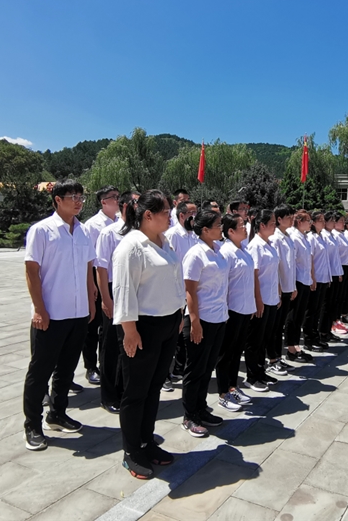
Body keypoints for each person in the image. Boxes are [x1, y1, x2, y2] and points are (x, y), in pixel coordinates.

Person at [113, 189, 185, 479]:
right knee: (136, 392)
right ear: (148, 215)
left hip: (168, 324)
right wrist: (129, 330)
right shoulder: (132, 247)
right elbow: (124, 290)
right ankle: (132, 451)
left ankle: (147, 441)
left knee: (154, 388)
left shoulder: (164, 242)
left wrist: (179, 314)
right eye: (166, 212)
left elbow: (174, 280)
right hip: (142, 327)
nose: (170, 217)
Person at [22, 179, 97, 451]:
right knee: (40, 372)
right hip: (51, 314)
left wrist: (90, 302)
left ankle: (58, 414)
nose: (78, 201)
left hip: (78, 313)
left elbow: (88, 269)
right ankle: (32, 425)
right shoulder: (42, 230)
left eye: (80, 197)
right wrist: (39, 309)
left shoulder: (84, 231)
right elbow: (31, 272)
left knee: (66, 370)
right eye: (72, 196)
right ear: (57, 200)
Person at [181, 210, 229, 437]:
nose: (221, 228)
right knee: (195, 370)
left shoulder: (218, 250)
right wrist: (195, 321)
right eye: (218, 225)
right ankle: (189, 415)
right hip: (202, 319)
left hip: (219, 317)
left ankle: (201, 409)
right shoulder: (195, 254)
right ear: (205, 230)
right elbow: (189, 291)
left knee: (207, 368)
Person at [95, 191, 138, 414]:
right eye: (136, 203)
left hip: (135, 289)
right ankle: (109, 395)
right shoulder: (109, 232)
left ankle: (125, 391)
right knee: (111, 346)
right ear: (124, 206)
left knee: (128, 346)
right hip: (114, 289)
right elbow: (101, 268)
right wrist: (106, 298)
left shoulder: (139, 232)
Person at [81, 185, 120, 387]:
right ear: (103, 201)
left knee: (110, 328)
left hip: (117, 281)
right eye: (113, 197)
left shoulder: (121, 222)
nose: (117, 200)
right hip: (99, 280)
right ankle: (91, 366)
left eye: (118, 196)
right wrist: (92, 284)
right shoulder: (93, 225)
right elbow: (90, 259)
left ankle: (109, 364)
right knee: (93, 326)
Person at [217, 214, 256, 410]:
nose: (245, 228)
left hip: (244, 308)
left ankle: (233, 387)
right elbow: (223, 284)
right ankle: (223, 392)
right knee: (226, 353)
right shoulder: (226, 252)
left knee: (236, 351)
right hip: (231, 309)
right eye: (241, 225)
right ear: (230, 231)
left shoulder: (244, 250)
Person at [163, 200, 199, 389]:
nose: (195, 216)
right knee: (170, 336)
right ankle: (164, 376)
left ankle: (179, 368)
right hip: (175, 291)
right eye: (191, 213)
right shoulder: (172, 235)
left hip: (190, 291)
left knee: (183, 335)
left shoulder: (194, 235)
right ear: (181, 215)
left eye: (196, 212)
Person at [244, 210, 280, 392]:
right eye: (272, 223)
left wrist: (278, 292)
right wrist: (258, 300)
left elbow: (274, 271)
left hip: (271, 298)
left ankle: (261, 371)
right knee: (255, 340)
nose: (275, 226)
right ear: (262, 225)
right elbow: (254, 275)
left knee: (265, 337)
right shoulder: (255, 246)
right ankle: (252, 376)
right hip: (261, 299)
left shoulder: (270, 244)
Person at [268, 204, 297, 376]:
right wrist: (279, 289)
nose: (292, 220)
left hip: (287, 287)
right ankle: (272, 358)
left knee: (280, 326)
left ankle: (278, 357)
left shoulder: (288, 236)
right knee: (275, 327)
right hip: (279, 289)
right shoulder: (276, 238)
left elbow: (291, 264)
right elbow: (277, 266)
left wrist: (292, 286)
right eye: (288, 217)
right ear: (279, 219)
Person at [286, 210, 315, 362]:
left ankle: (296, 344)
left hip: (305, 280)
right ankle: (291, 348)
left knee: (299, 316)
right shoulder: (294, 237)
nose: (310, 223)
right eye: (308, 221)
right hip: (297, 281)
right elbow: (292, 262)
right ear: (299, 222)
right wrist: (293, 285)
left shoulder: (304, 237)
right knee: (293, 315)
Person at [303, 211, 332, 352]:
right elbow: (311, 259)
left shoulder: (321, 237)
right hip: (316, 278)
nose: (323, 222)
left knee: (318, 309)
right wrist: (312, 277)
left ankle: (315, 337)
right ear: (313, 223)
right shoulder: (311, 237)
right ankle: (308, 339)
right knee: (311, 310)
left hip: (323, 277)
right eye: (320, 220)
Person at [321, 211, 345, 341]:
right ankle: (323, 332)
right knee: (326, 305)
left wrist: (339, 272)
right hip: (328, 274)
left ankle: (328, 329)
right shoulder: (324, 236)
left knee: (332, 304)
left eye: (334, 220)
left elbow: (336, 257)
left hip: (336, 272)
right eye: (331, 220)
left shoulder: (332, 235)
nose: (334, 223)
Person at [331, 214, 348, 329]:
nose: (343, 223)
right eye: (340, 221)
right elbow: (336, 256)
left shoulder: (342, 235)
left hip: (345, 266)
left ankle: (338, 317)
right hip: (338, 267)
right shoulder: (334, 235)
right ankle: (334, 319)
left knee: (342, 294)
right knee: (335, 296)